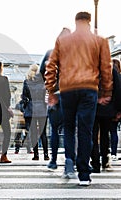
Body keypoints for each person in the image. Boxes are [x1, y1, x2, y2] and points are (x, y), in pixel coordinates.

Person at [45, 11, 113, 186]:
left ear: (75, 22)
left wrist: (52, 91)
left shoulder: (63, 41)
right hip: (89, 88)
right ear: (89, 22)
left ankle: (69, 160)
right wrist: (106, 92)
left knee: (68, 127)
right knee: (85, 130)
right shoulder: (100, 41)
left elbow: (50, 67)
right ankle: (84, 173)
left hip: (68, 88)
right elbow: (106, 68)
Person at [40, 27, 71, 170]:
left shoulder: (50, 53)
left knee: (54, 130)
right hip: (70, 94)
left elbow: (42, 73)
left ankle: (53, 160)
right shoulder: (74, 53)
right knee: (71, 129)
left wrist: (50, 89)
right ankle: (71, 159)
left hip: (55, 95)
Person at [22, 64, 49, 161]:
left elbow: (24, 97)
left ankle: (36, 155)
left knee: (33, 133)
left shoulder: (27, 82)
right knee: (43, 133)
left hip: (31, 109)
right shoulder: (43, 82)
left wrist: (25, 106)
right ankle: (46, 154)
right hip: (42, 108)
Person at [110, 58, 121, 161]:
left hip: (114, 109)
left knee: (113, 131)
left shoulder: (112, 80)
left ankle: (113, 153)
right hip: (118, 109)